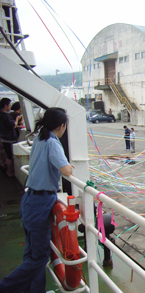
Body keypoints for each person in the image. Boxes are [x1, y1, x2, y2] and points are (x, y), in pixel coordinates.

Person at [0, 107, 73, 293]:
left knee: (31, 253)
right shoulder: (52, 142)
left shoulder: (41, 137)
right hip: (40, 203)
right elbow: (66, 171)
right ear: (62, 126)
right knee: (39, 257)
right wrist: (69, 166)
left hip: (29, 199)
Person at [0, 98, 22, 177]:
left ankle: (7, 171)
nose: (10, 106)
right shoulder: (6, 115)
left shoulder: (1, 114)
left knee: (7, 155)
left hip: (3, 137)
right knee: (10, 156)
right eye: (9, 105)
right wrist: (17, 119)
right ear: (5, 105)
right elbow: (13, 126)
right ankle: (10, 172)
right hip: (9, 138)